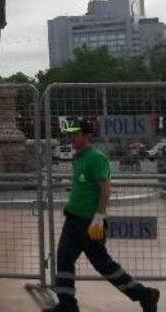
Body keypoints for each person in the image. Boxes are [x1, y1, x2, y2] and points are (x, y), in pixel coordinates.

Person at [45, 118, 159, 312]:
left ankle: (144, 294)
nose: (71, 138)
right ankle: (67, 304)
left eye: (75, 134)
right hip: (73, 219)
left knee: (103, 264)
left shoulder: (96, 157)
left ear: (87, 135)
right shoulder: (79, 157)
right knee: (64, 260)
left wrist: (98, 218)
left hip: (90, 222)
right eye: (70, 134)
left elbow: (105, 190)